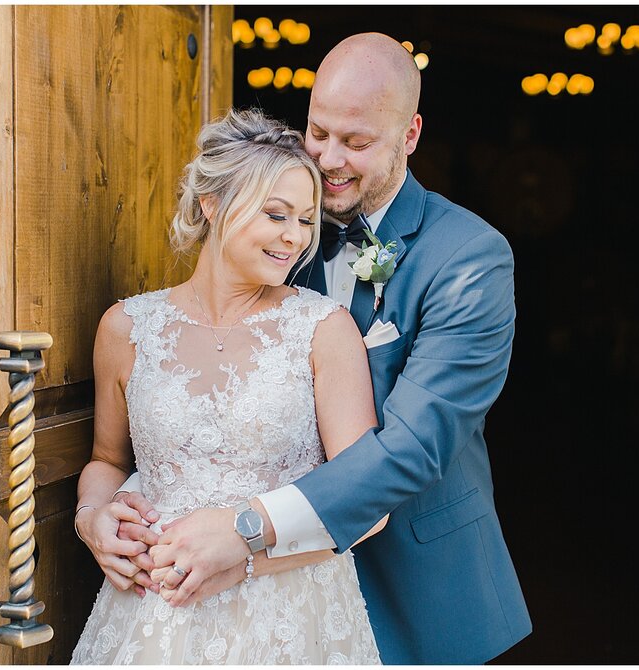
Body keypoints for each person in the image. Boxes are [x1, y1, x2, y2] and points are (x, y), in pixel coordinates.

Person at [96, 32, 533, 664]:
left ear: (410, 136)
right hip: (250, 600)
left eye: (356, 144)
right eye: (318, 132)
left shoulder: (469, 258)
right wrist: (105, 515)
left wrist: (247, 530)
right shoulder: (275, 229)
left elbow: (410, 448)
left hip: (415, 584)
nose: (328, 159)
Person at [70, 108, 384, 664]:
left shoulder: (323, 330)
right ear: (211, 206)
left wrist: (244, 557)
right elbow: (106, 459)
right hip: (154, 616)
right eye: (276, 214)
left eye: (306, 220)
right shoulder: (126, 328)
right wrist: (93, 517)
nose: (294, 238)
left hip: (290, 617)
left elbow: (367, 504)